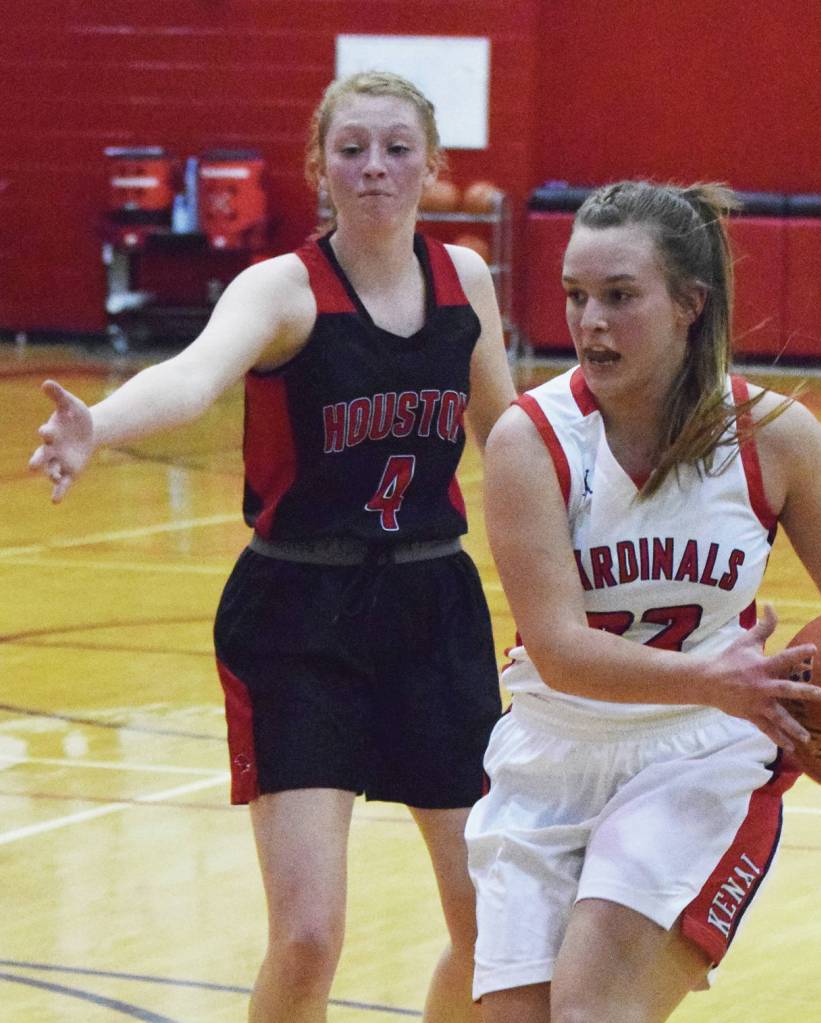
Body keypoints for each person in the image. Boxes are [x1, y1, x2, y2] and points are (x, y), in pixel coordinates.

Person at [29, 71, 516, 1023]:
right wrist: (101, 423)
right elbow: (192, 377)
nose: (373, 167)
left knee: (494, 923)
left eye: (396, 148)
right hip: (300, 617)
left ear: (432, 165)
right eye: (351, 149)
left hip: (433, 607)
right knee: (307, 935)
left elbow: (506, 435)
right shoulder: (283, 289)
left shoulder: (467, 280)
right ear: (319, 167)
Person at [465, 180, 821, 1021]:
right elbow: (557, 648)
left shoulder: (773, 436)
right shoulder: (532, 439)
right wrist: (712, 677)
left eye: (619, 295)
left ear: (688, 304)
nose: (590, 321)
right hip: (550, 751)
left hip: (698, 752)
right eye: (575, 295)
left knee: (590, 1009)